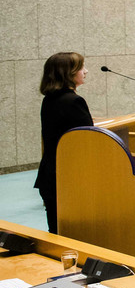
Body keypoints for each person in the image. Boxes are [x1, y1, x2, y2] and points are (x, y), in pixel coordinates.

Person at [35, 51, 94, 233]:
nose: (86, 71)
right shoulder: (74, 101)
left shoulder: (49, 100)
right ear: (68, 73)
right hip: (69, 177)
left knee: (57, 230)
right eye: (81, 67)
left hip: (51, 174)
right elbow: (89, 140)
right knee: (74, 233)